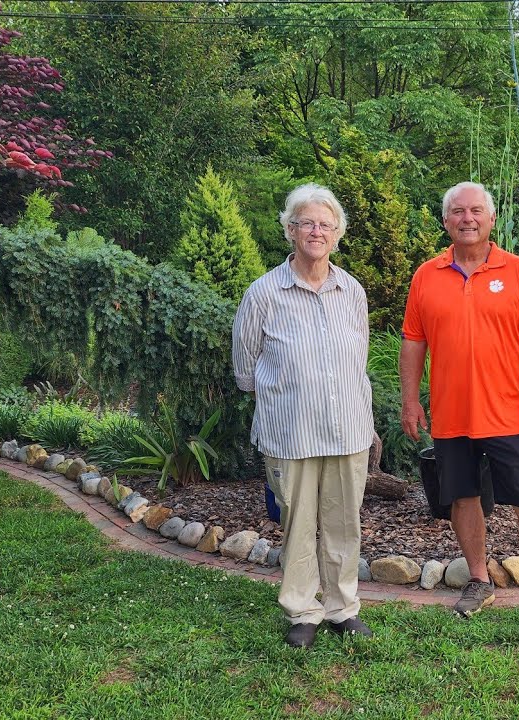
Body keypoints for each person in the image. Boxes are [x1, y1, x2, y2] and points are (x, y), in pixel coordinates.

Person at [399, 181, 519, 649]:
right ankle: (479, 580)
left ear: (492, 219)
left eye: (476, 210)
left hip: (509, 416)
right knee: (462, 498)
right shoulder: (426, 275)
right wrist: (410, 400)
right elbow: (413, 342)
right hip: (452, 416)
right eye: (457, 212)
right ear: (445, 222)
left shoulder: (517, 271)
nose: (467, 218)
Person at [232, 183, 376, 649]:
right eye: (307, 223)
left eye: (326, 225)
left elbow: (359, 359)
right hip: (290, 433)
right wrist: (292, 394)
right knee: (297, 523)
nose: (317, 231)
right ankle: (303, 610)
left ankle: (343, 608)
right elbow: (245, 369)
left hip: (347, 430)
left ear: (337, 235)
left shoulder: (351, 290)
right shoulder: (264, 293)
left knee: (344, 522)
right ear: (291, 230)